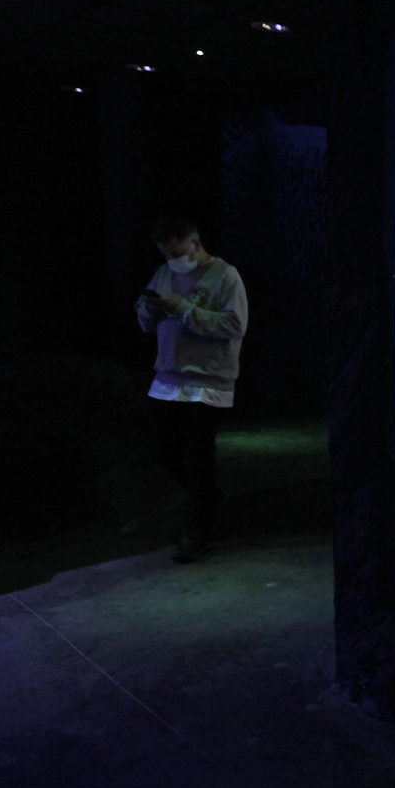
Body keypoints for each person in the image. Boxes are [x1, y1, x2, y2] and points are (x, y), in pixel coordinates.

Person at [136, 216, 249, 564]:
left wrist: (185, 309)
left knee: (197, 457)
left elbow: (234, 324)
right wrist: (149, 308)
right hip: (168, 379)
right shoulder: (164, 273)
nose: (171, 260)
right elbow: (144, 318)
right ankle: (208, 499)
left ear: (195, 244)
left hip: (208, 382)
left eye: (176, 252)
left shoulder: (225, 276)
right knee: (162, 449)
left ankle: (197, 528)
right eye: (165, 254)